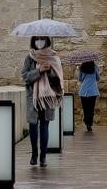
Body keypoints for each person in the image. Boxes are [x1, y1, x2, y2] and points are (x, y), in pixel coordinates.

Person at [21, 36, 63, 168]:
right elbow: (25, 76)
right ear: (33, 41)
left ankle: (43, 156)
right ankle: (34, 153)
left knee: (45, 125)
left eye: (42, 39)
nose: (40, 42)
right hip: (33, 97)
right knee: (33, 126)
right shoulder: (29, 57)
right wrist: (39, 71)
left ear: (47, 41)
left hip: (47, 97)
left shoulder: (54, 57)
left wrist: (50, 70)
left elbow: (58, 79)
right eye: (37, 39)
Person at [77, 60, 100, 133]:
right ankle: (89, 123)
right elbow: (98, 78)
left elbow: (80, 79)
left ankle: (87, 121)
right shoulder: (95, 67)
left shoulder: (81, 68)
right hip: (93, 91)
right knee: (91, 108)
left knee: (85, 108)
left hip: (83, 91)